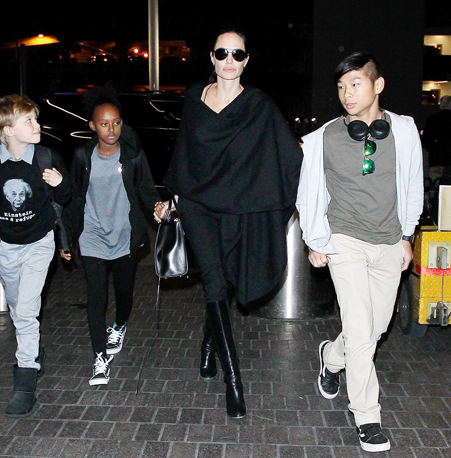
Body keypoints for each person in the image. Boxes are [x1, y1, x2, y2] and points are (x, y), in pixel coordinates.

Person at [155, 29, 302, 418]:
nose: (229, 61)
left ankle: (208, 346)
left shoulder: (257, 105)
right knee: (215, 281)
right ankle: (233, 381)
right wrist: (173, 199)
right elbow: (185, 153)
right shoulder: (194, 97)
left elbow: (286, 155)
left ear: (247, 60)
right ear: (212, 57)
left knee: (224, 279)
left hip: (236, 206)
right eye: (222, 53)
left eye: (237, 54)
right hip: (197, 205)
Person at [296, 52, 423, 452]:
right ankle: (367, 416)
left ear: (377, 85)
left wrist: (407, 236)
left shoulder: (404, 131)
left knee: (373, 330)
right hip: (345, 241)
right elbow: (308, 193)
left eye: (355, 84)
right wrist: (315, 241)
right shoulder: (324, 138)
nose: (346, 94)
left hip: (388, 241)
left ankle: (332, 359)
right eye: (341, 86)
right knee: (361, 331)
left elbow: (413, 185)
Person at [0, 94, 71, 417]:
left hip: (39, 243)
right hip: (6, 248)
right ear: (7, 130)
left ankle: (24, 382)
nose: (37, 125)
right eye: (29, 120)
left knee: (26, 310)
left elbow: (67, 198)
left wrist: (61, 184)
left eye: (35, 118)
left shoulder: (46, 157)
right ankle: (34, 349)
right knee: (17, 308)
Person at [61, 85, 160, 386]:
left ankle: (119, 325)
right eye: (104, 124)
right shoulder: (82, 156)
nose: (111, 129)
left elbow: (146, 189)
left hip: (124, 236)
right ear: (92, 126)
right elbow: (74, 198)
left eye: (116, 122)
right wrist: (66, 238)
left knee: (124, 294)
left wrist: (158, 208)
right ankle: (99, 357)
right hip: (92, 234)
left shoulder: (132, 156)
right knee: (96, 297)